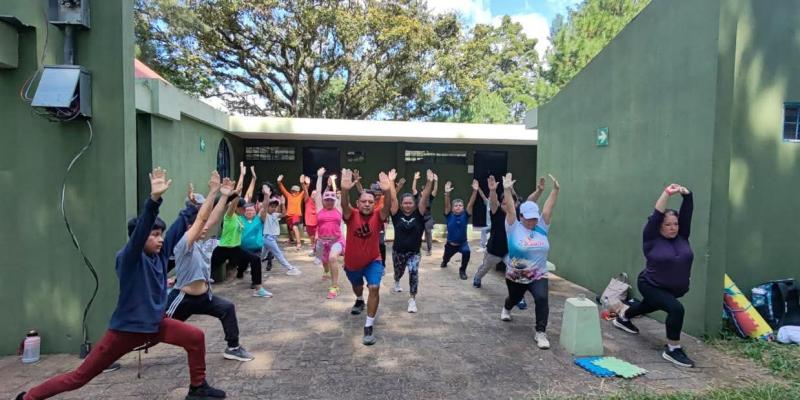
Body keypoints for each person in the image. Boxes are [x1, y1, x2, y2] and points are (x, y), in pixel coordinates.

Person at [16, 168, 225, 400]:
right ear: (139, 236)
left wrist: (204, 197)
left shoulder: (161, 254)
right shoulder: (128, 258)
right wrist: (154, 200)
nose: (160, 239)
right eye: (154, 234)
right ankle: (28, 397)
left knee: (195, 337)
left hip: (155, 325)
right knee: (79, 377)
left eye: (161, 234)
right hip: (126, 332)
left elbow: (186, 222)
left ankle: (197, 388)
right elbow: (141, 231)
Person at [165, 172, 254, 362]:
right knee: (157, 329)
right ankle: (131, 343)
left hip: (204, 296)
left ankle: (233, 347)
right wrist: (214, 191)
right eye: (199, 226)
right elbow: (203, 220)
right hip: (182, 299)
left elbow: (211, 219)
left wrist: (223, 196)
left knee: (227, 308)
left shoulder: (200, 242)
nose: (205, 228)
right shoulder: (183, 244)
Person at [612, 184, 696, 368]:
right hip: (650, 284)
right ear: (659, 227)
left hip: (671, 288)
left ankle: (624, 316)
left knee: (647, 306)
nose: (673, 228)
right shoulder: (651, 238)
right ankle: (673, 349)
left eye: (675, 224)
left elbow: (688, 211)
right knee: (676, 310)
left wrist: (687, 195)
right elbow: (657, 213)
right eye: (667, 224)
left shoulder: (683, 236)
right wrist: (667, 193)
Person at [499, 173, 559, 350]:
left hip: (538, 274)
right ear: (521, 215)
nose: (533, 220)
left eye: (535, 217)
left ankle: (540, 332)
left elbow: (548, 209)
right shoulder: (513, 227)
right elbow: (510, 208)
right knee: (514, 298)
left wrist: (555, 191)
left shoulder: (541, 227)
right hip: (516, 275)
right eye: (529, 217)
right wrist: (507, 189)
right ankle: (507, 307)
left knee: (542, 298)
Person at [340, 168, 393, 345]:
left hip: (373, 261)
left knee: (374, 287)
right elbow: (344, 205)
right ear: (358, 203)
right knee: (357, 287)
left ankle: (368, 325)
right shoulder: (351, 215)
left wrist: (387, 190)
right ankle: (359, 300)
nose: (367, 204)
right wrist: (345, 190)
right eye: (364, 201)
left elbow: (387, 207)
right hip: (352, 263)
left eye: (371, 201)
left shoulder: (379, 215)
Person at [473, 176, 545, 289]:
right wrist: (492, 190)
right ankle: (477, 277)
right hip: (494, 251)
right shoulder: (496, 212)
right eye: (504, 203)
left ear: (515, 204)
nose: (507, 205)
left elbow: (530, 201)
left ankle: (519, 297)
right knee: (485, 268)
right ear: (501, 204)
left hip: (510, 251)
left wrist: (539, 191)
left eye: (510, 203)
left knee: (517, 271)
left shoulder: (517, 212)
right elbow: (493, 202)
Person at [210, 169, 270, 297]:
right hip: (223, 248)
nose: (246, 210)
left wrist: (246, 179)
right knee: (207, 269)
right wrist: (236, 193)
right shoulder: (230, 215)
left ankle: (258, 289)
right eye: (243, 208)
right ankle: (185, 285)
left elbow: (247, 196)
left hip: (236, 248)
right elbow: (233, 204)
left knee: (255, 260)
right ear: (237, 208)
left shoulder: (239, 217)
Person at [390, 169, 434, 313]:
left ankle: (412, 299)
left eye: (410, 203)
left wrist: (429, 182)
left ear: (414, 204)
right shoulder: (396, 214)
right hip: (398, 252)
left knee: (414, 272)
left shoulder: (419, 214)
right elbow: (393, 198)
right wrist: (391, 182)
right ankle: (396, 280)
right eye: (405, 203)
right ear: (402, 204)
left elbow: (425, 196)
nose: (408, 205)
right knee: (399, 272)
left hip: (414, 252)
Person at [313, 167, 345, 299]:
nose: (329, 201)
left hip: (336, 240)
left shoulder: (338, 208)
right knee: (324, 261)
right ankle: (326, 270)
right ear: (323, 200)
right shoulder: (319, 208)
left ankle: (334, 286)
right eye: (327, 199)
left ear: (335, 201)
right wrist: (319, 176)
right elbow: (319, 192)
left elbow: (343, 193)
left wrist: (343, 178)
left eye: (332, 199)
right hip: (321, 241)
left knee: (333, 259)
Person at [440, 179, 478, 280]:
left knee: (467, 252)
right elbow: (447, 204)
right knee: (446, 258)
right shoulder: (449, 214)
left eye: (460, 205)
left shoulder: (465, 215)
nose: (458, 207)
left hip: (462, 243)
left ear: (463, 207)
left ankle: (462, 271)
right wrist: (447, 193)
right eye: (456, 206)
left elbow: (471, 203)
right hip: (450, 244)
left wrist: (475, 191)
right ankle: (445, 261)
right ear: (452, 208)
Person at [260, 186, 301, 275]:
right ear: (268, 207)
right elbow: (264, 207)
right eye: (271, 206)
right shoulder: (264, 215)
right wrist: (266, 195)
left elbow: (284, 214)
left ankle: (253, 266)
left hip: (271, 238)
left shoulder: (274, 215)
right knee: (278, 254)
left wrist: (282, 203)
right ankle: (290, 268)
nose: (274, 208)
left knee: (262, 255)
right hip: (268, 238)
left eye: (275, 206)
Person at [412, 172, 438, 256]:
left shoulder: (430, 198)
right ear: (421, 192)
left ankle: (429, 249)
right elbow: (413, 189)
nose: (425, 192)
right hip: (419, 218)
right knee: (417, 232)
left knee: (428, 231)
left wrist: (436, 181)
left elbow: (435, 190)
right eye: (424, 191)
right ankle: (417, 249)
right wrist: (415, 179)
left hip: (428, 218)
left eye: (426, 191)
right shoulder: (417, 197)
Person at [277, 174, 305, 251]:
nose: (294, 192)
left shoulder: (300, 196)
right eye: (293, 190)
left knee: (295, 227)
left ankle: (298, 243)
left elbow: (305, 189)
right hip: (289, 215)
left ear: (298, 192)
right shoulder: (289, 195)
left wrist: (306, 183)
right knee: (289, 228)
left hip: (296, 215)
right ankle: (291, 239)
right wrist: (279, 182)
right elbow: (283, 189)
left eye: (295, 191)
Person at [301, 175, 319, 260]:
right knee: (312, 239)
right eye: (313, 194)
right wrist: (304, 184)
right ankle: (314, 250)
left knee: (317, 238)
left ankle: (318, 251)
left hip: (318, 224)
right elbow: (305, 191)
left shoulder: (320, 203)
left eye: (316, 194)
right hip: (309, 223)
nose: (314, 195)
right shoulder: (307, 200)